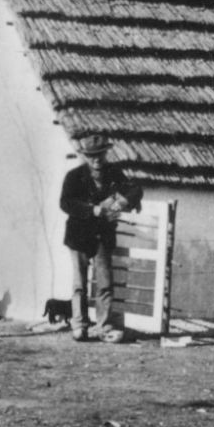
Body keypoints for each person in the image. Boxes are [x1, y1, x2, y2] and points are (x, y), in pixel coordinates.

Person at [60, 134, 143, 343]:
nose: (96, 159)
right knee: (79, 284)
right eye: (91, 156)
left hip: (102, 237)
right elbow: (66, 203)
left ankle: (104, 327)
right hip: (78, 236)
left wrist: (122, 201)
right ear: (86, 156)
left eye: (100, 155)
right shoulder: (74, 176)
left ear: (105, 154)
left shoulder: (114, 173)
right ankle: (79, 326)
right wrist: (93, 209)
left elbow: (136, 189)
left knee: (105, 283)